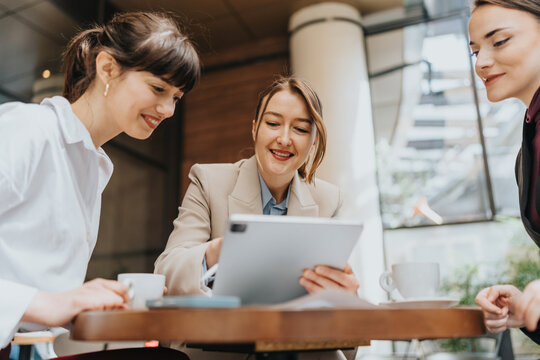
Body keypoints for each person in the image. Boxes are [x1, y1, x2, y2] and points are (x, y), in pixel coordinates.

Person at [0, 11, 200, 359]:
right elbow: (47, 302)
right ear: (107, 68)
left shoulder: (94, 166)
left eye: (176, 97)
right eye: (158, 88)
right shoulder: (29, 131)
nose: (168, 109)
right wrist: (46, 303)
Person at [155, 76, 358, 360]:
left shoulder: (328, 199)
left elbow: (346, 345)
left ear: (313, 142)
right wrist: (218, 251)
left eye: (300, 128)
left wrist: (345, 301)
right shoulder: (208, 181)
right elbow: (166, 272)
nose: (284, 139)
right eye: (273, 123)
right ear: (254, 129)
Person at [468, 0, 540, 344]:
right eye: (475, 51)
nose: (481, 62)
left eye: (499, 41)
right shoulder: (526, 153)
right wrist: (527, 311)